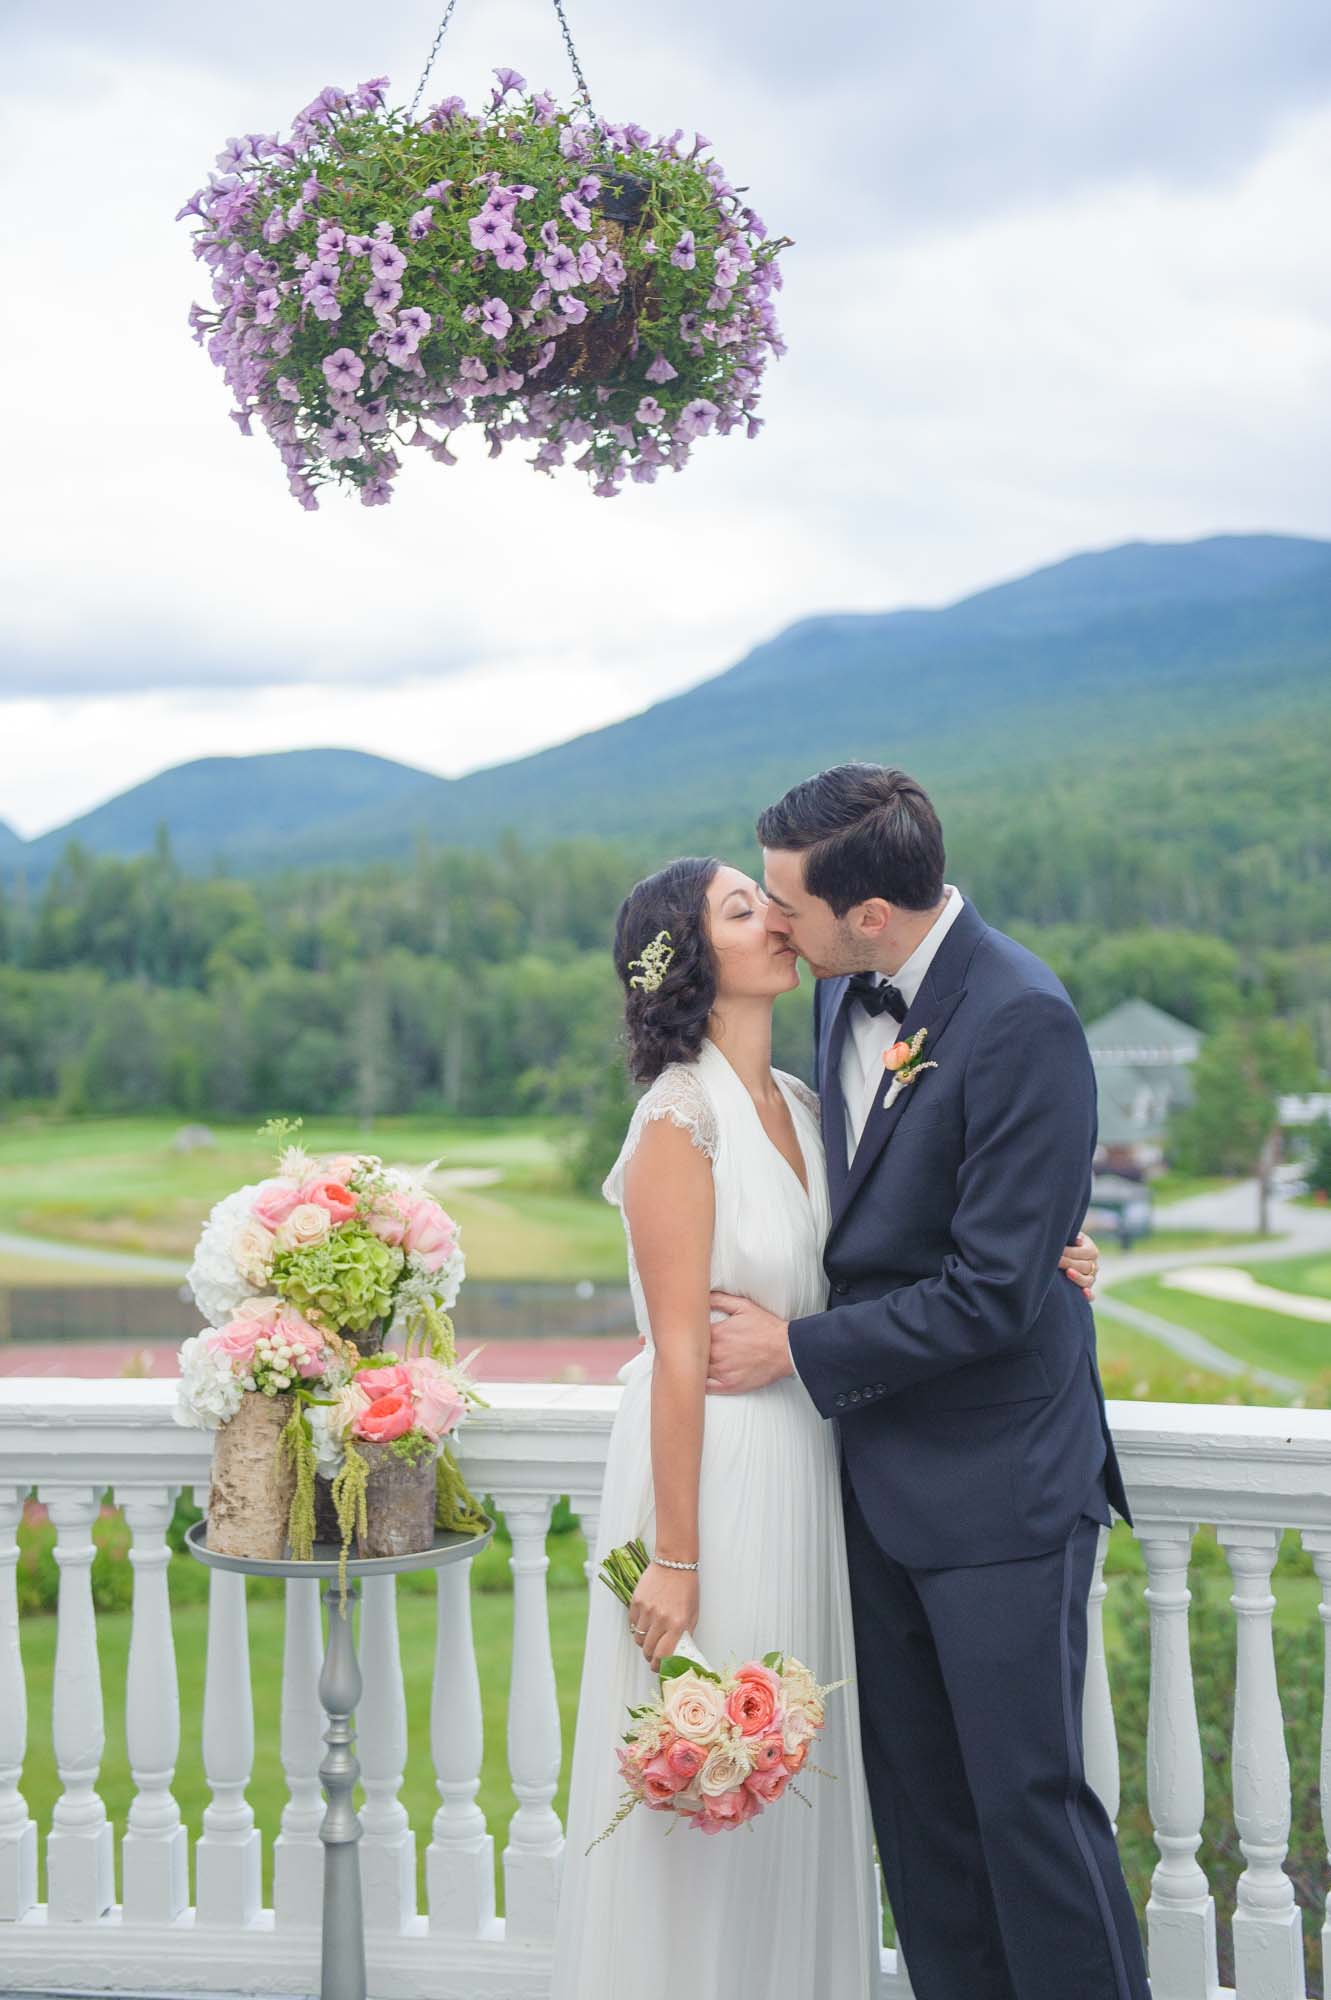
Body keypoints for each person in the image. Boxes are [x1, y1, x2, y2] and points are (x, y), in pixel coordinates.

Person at [550, 846, 1101, 2000]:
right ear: (696, 962)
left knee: (810, 1786)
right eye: (745, 909)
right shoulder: (675, 1118)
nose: (779, 921)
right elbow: (676, 1354)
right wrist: (675, 1555)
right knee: (717, 1774)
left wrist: (1042, 1256)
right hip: (720, 1477)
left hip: (818, 1469)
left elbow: (898, 1244)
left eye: (772, 899)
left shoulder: (804, 1095)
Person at [707, 764, 1149, 2000]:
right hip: (873, 1481)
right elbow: (871, 1226)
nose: (773, 924)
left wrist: (796, 1350)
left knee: (1027, 1813)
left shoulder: (1020, 1017)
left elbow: (995, 1292)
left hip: (1000, 1485)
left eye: (787, 903)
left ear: (869, 915)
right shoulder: (833, 996)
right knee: (923, 1827)